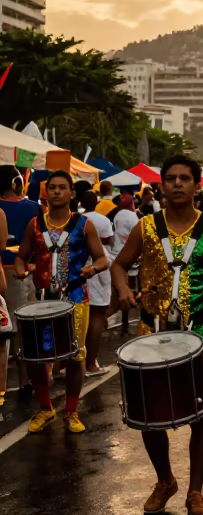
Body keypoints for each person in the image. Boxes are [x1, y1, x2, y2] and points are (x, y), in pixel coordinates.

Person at [111, 156, 203, 515]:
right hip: (153, 333)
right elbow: (119, 264)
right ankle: (165, 480)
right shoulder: (146, 226)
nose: (177, 184)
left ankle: (195, 492)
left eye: (184, 179)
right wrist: (123, 289)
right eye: (170, 179)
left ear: (197, 185)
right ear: (161, 185)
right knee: (150, 414)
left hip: (202, 332)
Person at [15, 169, 108, 432]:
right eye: (52, 187)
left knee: (76, 357)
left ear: (72, 193)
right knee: (36, 356)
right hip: (43, 302)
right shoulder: (35, 224)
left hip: (76, 299)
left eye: (61, 187)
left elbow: (102, 258)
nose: (56, 192)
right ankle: (46, 409)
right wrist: (20, 268)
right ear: (47, 193)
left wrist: (93, 269)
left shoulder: (84, 225)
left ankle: (72, 411)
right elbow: (22, 255)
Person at [0, 165, 38, 398]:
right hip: (23, 273)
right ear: (17, 182)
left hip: (7, 270)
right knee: (22, 328)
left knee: (7, 329)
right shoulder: (33, 208)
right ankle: (26, 379)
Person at [79, 189, 114, 373]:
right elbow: (109, 240)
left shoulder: (76, 218)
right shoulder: (102, 220)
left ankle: (66, 365)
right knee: (97, 315)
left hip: (81, 266)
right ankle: (91, 363)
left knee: (77, 316)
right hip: (96, 267)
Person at [110, 193, 140, 335]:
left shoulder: (117, 215)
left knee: (121, 289)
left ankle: (124, 323)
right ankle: (126, 323)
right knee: (129, 290)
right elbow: (137, 235)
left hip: (117, 255)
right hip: (130, 256)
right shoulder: (133, 216)